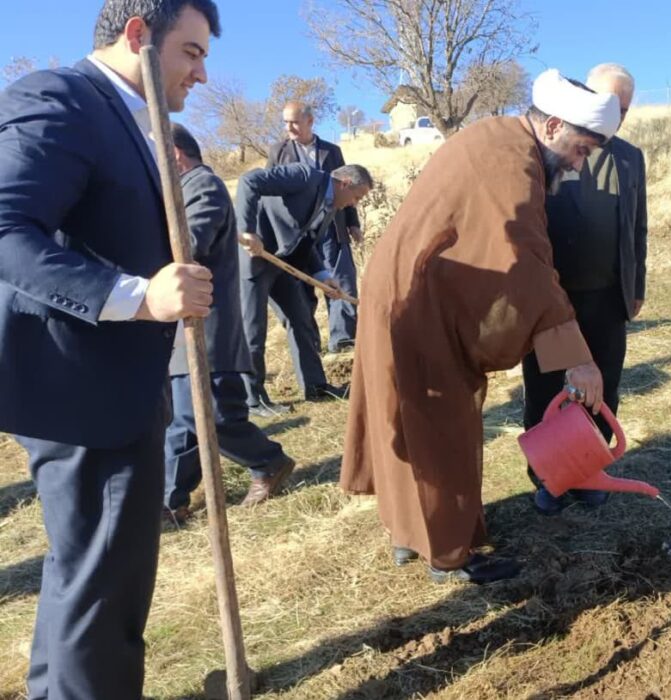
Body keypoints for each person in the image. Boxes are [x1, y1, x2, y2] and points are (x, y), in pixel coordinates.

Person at [0, 1, 220, 696]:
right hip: (80, 389)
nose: (203, 73)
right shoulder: (64, 97)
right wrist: (138, 296)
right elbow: (5, 226)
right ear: (137, 35)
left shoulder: (129, 120)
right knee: (104, 589)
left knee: (91, 580)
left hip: (115, 385)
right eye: (190, 51)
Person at [340, 69, 620, 585]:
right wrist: (578, 357)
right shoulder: (513, 162)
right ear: (554, 126)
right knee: (441, 424)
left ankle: (411, 533)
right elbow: (526, 259)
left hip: (409, 289)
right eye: (581, 150)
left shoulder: (495, 137)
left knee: (409, 416)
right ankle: (448, 554)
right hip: (421, 302)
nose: (580, 165)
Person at [522, 63, 649, 515]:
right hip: (555, 299)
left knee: (603, 386)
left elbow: (638, 225)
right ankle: (549, 479)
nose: (618, 117)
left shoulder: (632, 157)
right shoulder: (551, 152)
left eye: (625, 109)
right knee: (545, 389)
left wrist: (638, 283)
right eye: (611, 106)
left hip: (609, 296)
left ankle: (589, 471)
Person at [163, 123, 295, 523]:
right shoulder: (177, 192)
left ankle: (269, 461)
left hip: (209, 328)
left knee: (211, 414)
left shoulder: (203, 186)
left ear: (174, 154)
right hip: (182, 328)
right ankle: (170, 501)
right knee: (182, 420)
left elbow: (188, 246)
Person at [235, 161, 373, 417]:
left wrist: (323, 276)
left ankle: (316, 386)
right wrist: (247, 231)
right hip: (253, 257)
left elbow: (307, 242)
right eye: (357, 196)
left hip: (281, 263)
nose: (355, 204)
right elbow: (248, 181)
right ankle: (253, 399)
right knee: (253, 329)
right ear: (344, 183)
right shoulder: (304, 176)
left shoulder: (332, 206)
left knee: (302, 320)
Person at [268, 100, 362, 353]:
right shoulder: (278, 152)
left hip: (333, 228)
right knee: (303, 287)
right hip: (299, 232)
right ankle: (311, 345)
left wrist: (352, 223)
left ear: (309, 121)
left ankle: (342, 341)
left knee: (341, 281)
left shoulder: (332, 151)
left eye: (294, 122)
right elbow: (270, 192)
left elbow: (348, 186)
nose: (289, 127)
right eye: (286, 122)